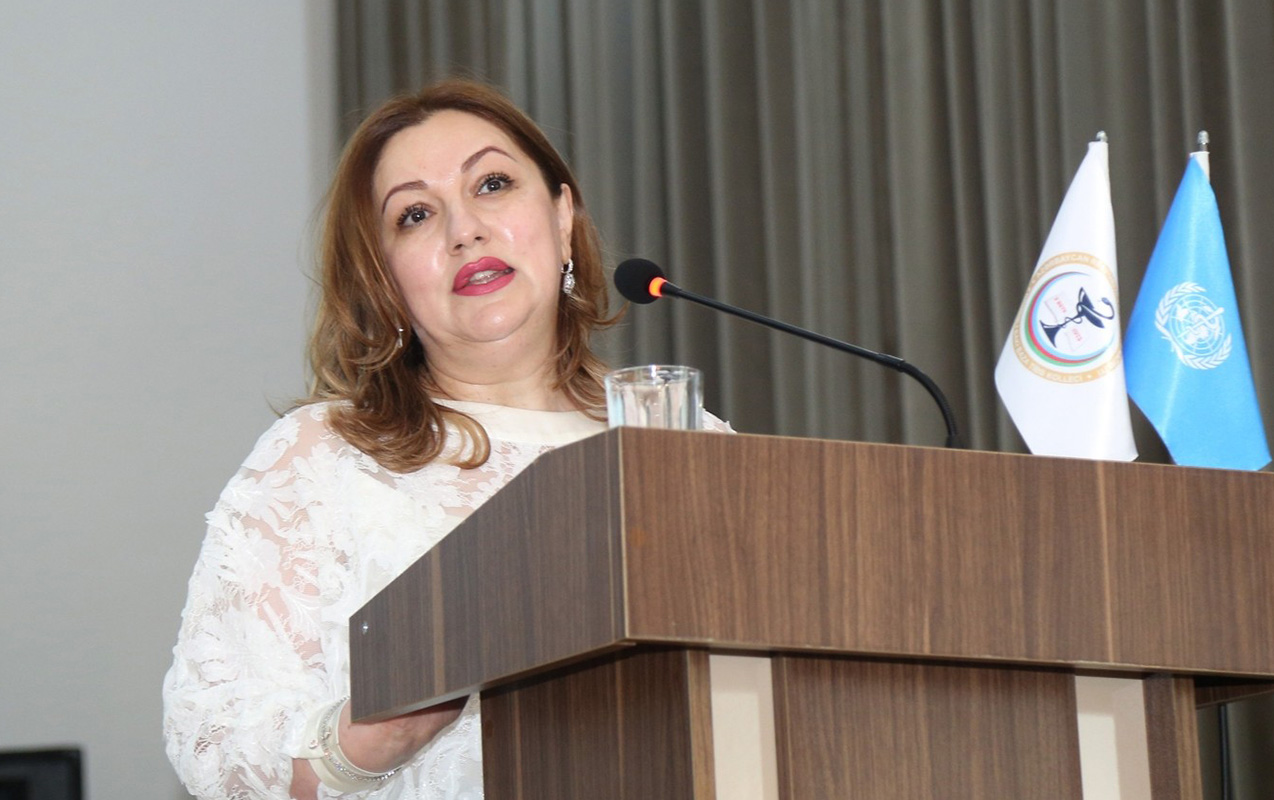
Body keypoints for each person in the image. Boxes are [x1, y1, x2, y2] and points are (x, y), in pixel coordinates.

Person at [162, 79, 727, 800]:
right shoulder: (320, 460)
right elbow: (213, 746)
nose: (465, 230)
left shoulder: (686, 439)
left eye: (491, 184)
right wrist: (386, 728)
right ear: (384, 280)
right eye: (416, 215)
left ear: (563, 217)